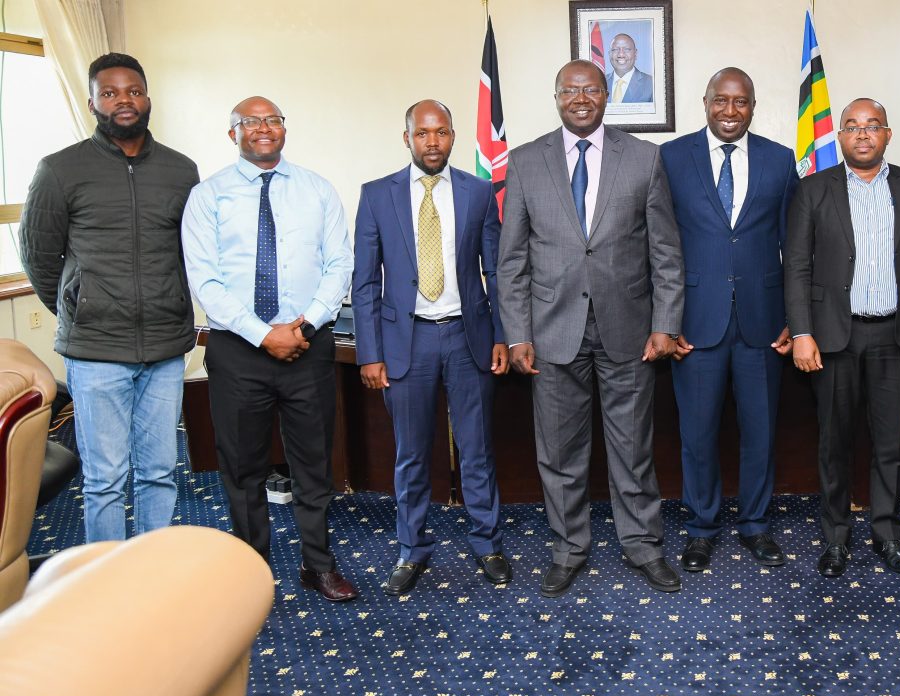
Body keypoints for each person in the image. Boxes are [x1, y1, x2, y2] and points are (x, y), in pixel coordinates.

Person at [497, 60, 683, 597]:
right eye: (571, 90)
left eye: (592, 89)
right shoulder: (527, 161)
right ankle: (568, 548)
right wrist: (517, 333)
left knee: (633, 448)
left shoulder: (644, 159)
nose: (581, 98)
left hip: (629, 328)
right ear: (556, 97)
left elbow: (665, 251)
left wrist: (666, 322)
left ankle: (643, 546)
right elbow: (511, 260)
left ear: (607, 96)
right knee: (558, 451)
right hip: (552, 331)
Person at [182, 96, 358, 602]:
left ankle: (317, 564)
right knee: (242, 465)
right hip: (238, 349)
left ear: (284, 128)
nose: (263, 128)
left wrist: (306, 324)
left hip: (309, 344)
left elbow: (338, 265)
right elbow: (205, 280)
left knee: (313, 462)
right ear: (231, 132)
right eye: (251, 122)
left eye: (273, 120)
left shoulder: (316, 190)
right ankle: (251, 568)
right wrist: (263, 334)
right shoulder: (207, 196)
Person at [19, 53, 198, 542]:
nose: (125, 100)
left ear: (147, 98)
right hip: (96, 351)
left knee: (161, 472)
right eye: (111, 92)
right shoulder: (60, 169)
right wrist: (83, 308)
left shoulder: (181, 170)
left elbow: (191, 252)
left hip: (164, 346)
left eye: (133, 91)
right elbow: (38, 257)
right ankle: (105, 579)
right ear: (94, 101)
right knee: (104, 480)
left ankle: (151, 565)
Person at [351, 100, 511, 595]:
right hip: (407, 340)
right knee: (411, 453)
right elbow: (364, 282)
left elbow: (496, 271)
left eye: (441, 133)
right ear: (407, 139)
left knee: (477, 449)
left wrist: (503, 334)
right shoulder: (377, 195)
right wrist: (369, 352)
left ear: (453, 136)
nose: (433, 143)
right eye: (423, 134)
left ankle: (487, 542)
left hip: (468, 337)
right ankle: (411, 549)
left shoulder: (479, 192)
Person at [783, 98, 900, 578]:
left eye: (871, 126)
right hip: (835, 335)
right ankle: (835, 537)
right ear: (840, 138)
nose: (862, 135)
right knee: (834, 442)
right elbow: (797, 266)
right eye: (852, 127)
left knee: (891, 441)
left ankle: (886, 533)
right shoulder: (814, 189)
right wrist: (802, 332)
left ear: (887, 134)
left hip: (894, 334)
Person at [659, 68, 798, 572]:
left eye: (740, 102)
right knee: (697, 433)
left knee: (760, 431)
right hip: (694, 322)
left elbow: (794, 245)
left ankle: (756, 525)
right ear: (705, 102)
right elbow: (659, 243)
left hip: (764, 322)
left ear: (754, 105)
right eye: (721, 101)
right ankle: (701, 527)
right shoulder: (672, 158)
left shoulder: (780, 161)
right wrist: (665, 320)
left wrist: (793, 319)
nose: (730, 111)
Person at [605, 33, 655, 104]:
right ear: (609, 54)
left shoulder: (652, 84)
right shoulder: (600, 82)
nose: (621, 54)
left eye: (627, 49)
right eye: (615, 49)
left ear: (636, 54)